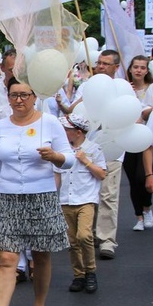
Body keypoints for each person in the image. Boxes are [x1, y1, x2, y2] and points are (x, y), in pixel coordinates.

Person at [0, 79, 75, 306]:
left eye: (24, 95)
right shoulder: (0, 127)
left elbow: (70, 158)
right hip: (9, 199)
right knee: (7, 259)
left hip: (41, 197)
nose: (19, 100)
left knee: (40, 258)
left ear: (34, 97)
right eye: (14, 95)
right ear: (7, 98)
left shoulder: (49, 123)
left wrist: (55, 157)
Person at [55, 114, 106, 293]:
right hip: (66, 200)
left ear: (77, 132)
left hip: (86, 200)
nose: (63, 133)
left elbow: (101, 174)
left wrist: (86, 161)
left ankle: (90, 271)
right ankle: (79, 275)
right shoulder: (61, 150)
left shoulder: (94, 148)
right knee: (72, 241)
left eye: (66, 130)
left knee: (84, 235)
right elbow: (57, 175)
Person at [84, 50, 123, 259]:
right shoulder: (88, 86)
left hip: (113, 148)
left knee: (108, 195)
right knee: (90, 195)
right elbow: (76, 110)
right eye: (99, 62)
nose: (100, 66)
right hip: (89, 148)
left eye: (106, 64)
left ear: (115, 67)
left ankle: (107, 239)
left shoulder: (122, 89)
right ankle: (89, 233)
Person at [124, 55, 153, 231]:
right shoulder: (124, 87)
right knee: (132, 180)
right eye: (136, 67)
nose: (138, 70)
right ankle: (139, 217)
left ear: (147, 71)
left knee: (141, 176)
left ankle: (147, 208)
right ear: (130, 68)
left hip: (145, 138)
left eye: (142, 68)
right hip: (127, 138)